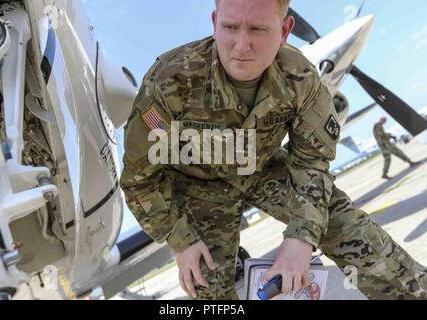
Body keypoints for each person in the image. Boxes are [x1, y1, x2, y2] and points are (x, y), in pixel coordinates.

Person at [121, 0, 426, 300]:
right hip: (196, 186)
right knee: (208, 288)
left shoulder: (300, 79)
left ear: (284, 30)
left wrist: (302, 236)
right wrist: (181, 240)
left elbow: (311, 163)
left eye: (257, 29)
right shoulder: (169, 82)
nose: (242, 46)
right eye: (230, 27)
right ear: (214, 22)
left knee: (356, 235)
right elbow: (140, 180)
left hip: (263, 169)